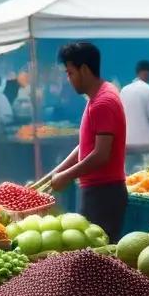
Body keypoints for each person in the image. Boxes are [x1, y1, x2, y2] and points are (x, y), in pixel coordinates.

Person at [50, 42, 127, 242]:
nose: (69, 79)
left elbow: (101, 155)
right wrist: (57, 172)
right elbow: (85, 146)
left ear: (84, 69)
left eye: (70, 73)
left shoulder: (102, 102)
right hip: (99, 190)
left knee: (97, 256)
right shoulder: (101, 94)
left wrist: (65, 177)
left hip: (102, 193)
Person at [119, 59, 149, 170]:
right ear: (148, 73)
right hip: (146, 144)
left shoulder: (124, 90)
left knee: (129, 174)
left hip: (127, 142)